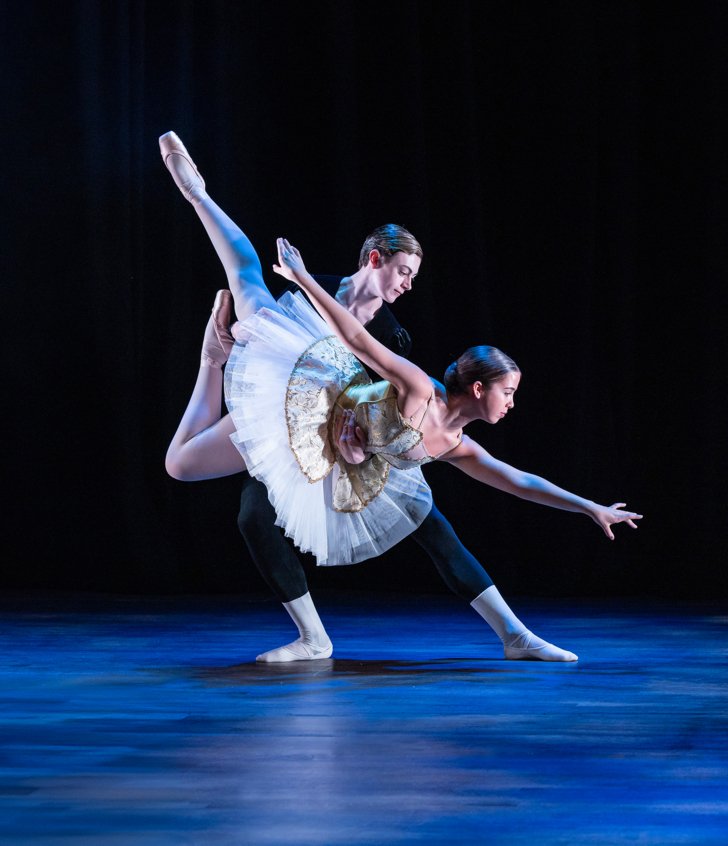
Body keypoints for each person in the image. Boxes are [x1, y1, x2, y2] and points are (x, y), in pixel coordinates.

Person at [160, 131, 642, 664]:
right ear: (374, 258)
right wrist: (301, 280)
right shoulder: (388, 358)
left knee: (428, 520)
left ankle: (514, 635)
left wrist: (588, 507)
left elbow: (516, 479)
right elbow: (352, 342)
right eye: (405, 271)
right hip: (302, 393)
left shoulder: (407, 355)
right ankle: (199, 203)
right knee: (241, 308)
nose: (410, 285)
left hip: (348, 440)